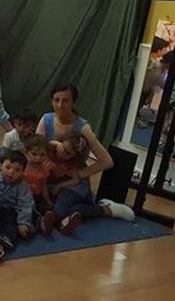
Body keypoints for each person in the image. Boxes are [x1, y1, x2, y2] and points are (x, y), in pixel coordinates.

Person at [36, 84, 133, 227]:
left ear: (74, 103)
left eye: (65, 101)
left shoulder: (82, 127)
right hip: (50, 177)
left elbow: (106, 161)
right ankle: (70, 215)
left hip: (72, 181)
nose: (60, 105)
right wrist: (54, 146)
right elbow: (36, 147)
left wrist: (80, 173)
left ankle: (105, 209)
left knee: (58, 212)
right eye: (56, 100)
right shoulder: (46, 119)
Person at [0, 151, 35, 250]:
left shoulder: (22, 186)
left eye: (17, 170)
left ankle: (7, 238)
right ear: (0, 165)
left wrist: (23, 222)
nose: (11, 172)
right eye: (8, 167)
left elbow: (25, 204)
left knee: (11, 225)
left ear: (23, 172)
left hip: (12, 211)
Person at [22, 135, 55, 233]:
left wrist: (47, 199)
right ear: (26, 153)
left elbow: (44, 185)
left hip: (37, 196)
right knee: (30, 211)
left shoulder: (44, 169)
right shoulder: (23, 168)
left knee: (47, 208)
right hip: (24, 198)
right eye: (34, 154)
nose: (38, 158)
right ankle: (37, 224)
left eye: (42, 155)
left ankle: (47, 222)